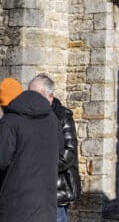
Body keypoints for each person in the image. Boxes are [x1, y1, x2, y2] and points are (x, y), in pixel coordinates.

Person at [0, 74, 63, 222]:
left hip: (16, 206)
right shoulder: (52, 119)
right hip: (46, 206)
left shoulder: (10, 120)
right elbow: (59, 152)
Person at [33, 75, 81, 222]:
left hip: (57, 188)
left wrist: (40, 168)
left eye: (37, 96)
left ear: (50, 96)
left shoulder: (63, 116)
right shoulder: (29, 117)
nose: (31, 100)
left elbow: (68, 154)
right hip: (33, 191)